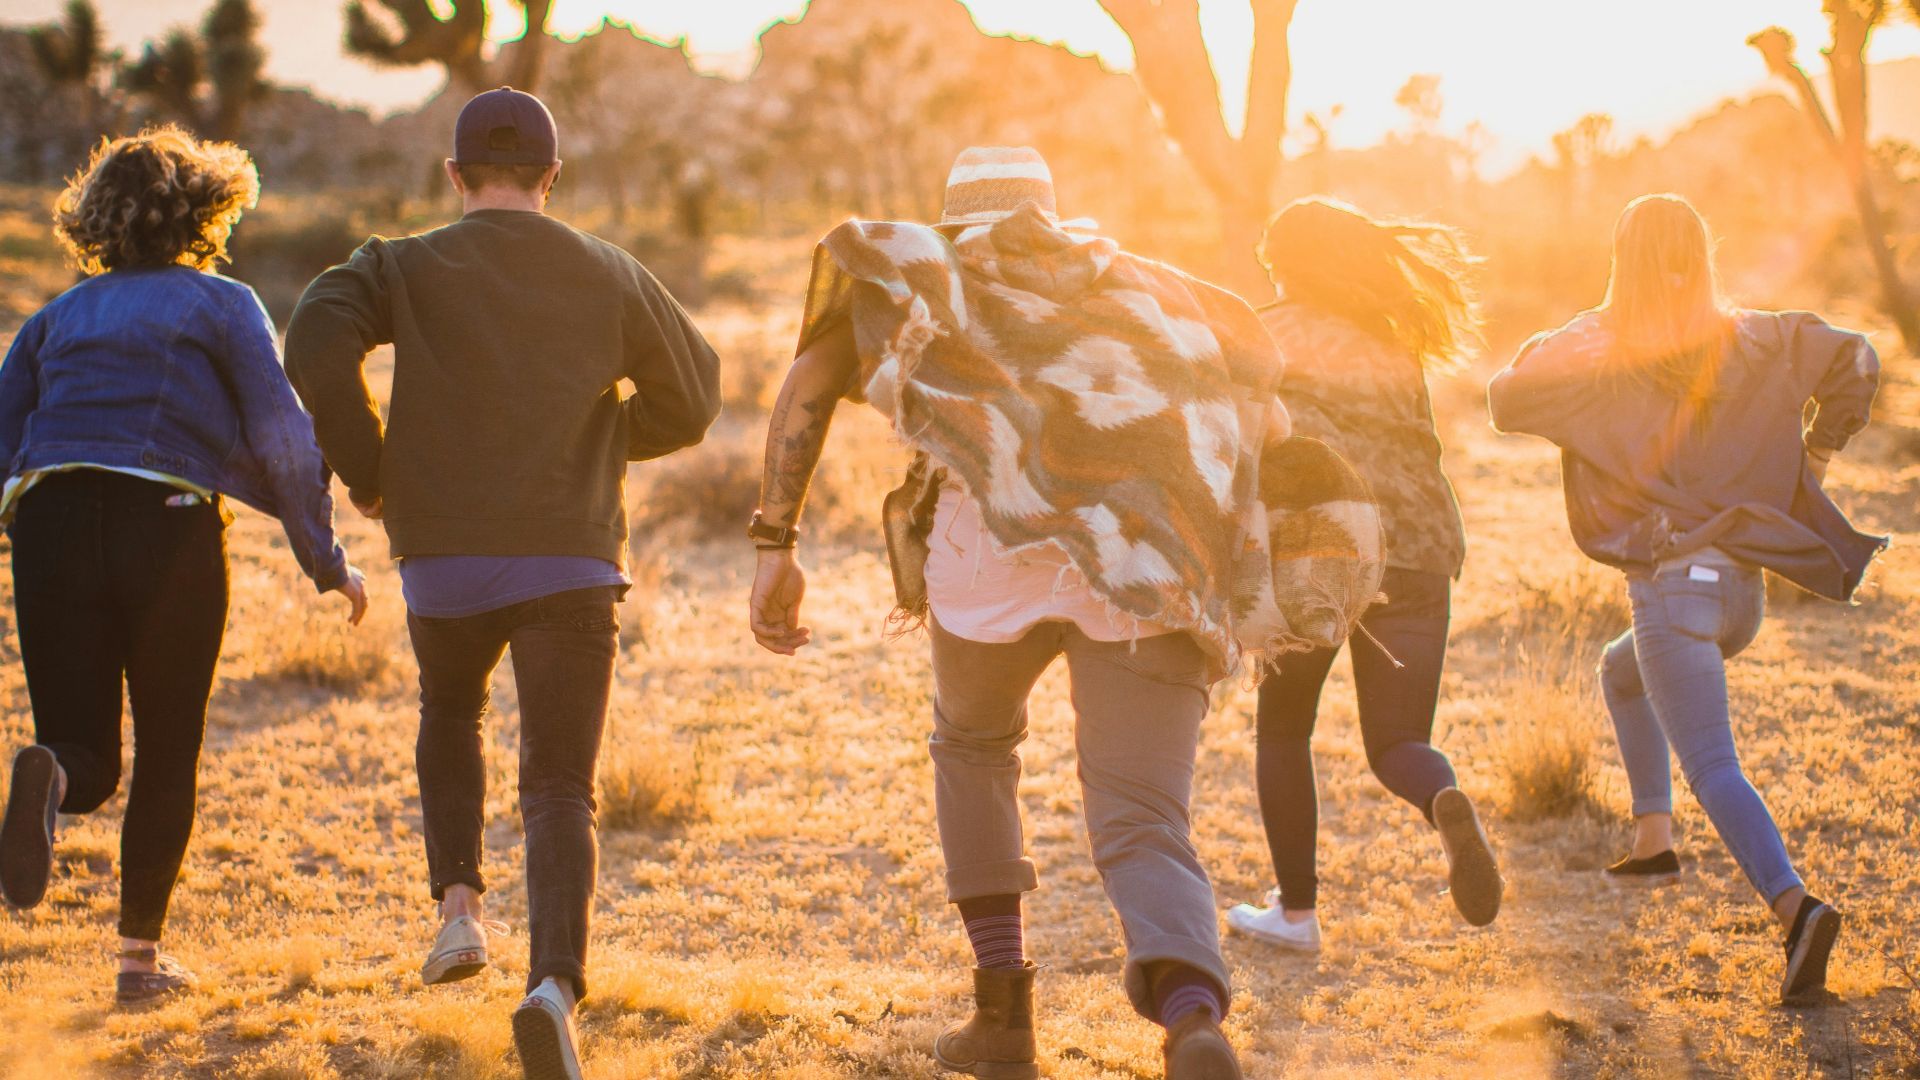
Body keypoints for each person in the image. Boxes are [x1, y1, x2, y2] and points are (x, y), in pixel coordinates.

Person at [750, 146, 1320, 1080]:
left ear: (953, 217)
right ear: (1052, 212)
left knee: (973, 752)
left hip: (986, 566)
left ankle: (1003, 1016)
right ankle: (1190, 1016)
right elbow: (1273, 421)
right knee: (1142, 814)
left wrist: (776, 540)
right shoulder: (1151, 294)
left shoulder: (929, 278)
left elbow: (809, 380)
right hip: (1144, 564)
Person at [284, 88, 720, 1080]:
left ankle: (459, 916)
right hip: (570, 553)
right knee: (560, 779)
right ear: (552, 178)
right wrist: (605, 438)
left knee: (450, 709)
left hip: (443, 557)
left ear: (455, 176)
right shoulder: (608, 270)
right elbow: (696, 391)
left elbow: (313, 337)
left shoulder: (402, 262)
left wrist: (375, 471)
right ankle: (554, 989)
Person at [0, 127, 367, 1006]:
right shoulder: (223, 303)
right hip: (162, 521)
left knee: (86, 752)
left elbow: (4, 431)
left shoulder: (54, 315)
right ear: (208, 210)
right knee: (169, 747)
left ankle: (48, 770)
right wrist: (327, 559)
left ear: (97, 218)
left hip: (47, 514)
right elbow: (283, 435)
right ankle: (137, 965)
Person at [1488, 193, 1884, 1005]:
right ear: (1702, 255)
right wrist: (1818, 453)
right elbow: (1860, 358)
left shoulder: (1603, 344)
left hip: (1673, 590)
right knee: (1619, 671)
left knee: (1713, 763)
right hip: (1740, 594)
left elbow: (1506, 393)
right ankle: (1654, 836)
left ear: (1620, 265)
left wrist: (1586, 321)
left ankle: (1795, 908)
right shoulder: (1756, 333)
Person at [1226, 198, 1503, 953]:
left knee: (1284, 730)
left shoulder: (1265, 332)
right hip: (1420, 547)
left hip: (1321, 552)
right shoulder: (1392, 341)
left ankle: (1296, 914)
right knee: (1398, 741)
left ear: (1287, 263)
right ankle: (1440, 795)